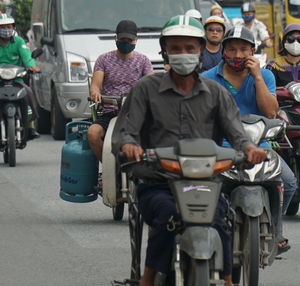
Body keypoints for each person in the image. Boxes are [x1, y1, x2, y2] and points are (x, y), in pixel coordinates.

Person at [113, 15, 267, 286]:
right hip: (157, 183)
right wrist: (129, 146)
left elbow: (236, 133)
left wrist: (250, 150)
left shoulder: (216, 93)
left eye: (189, 48)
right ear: (165, 52)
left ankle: (229, 281)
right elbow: (126, 130)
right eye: (176, 48)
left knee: (221, 219)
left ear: (200, 50)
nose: (183, 54)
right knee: (168, 215)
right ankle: (147, 280)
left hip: (204, 184)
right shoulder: (145, 89)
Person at [201, 26, 295, 253]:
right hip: (221, 147)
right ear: (223, 50)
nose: (237, 55)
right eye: (231, 49)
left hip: (259, 145)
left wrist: (257, 77)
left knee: (289, 182)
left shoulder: (265, 76)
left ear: (253, 51)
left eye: (243, 49)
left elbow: (270, 113)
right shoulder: (207, 78)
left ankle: (274, 227)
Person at [87, 20, 153, 162]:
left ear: (136, 40)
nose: (125, 43)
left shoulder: (143, 61)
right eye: (122, 40)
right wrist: (95, 92)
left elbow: (151, 85)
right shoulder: (103, 59)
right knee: (93, 134)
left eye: (129, 40)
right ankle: (109, 169)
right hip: (111, 112)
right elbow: (95, 85)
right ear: (115, 38)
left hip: (136, 113)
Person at [0, 14, 41, 143]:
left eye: (9, 26)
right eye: (2, 27)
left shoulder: (19, 42)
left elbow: (26, 56)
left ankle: (30, 126)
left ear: (13, 27)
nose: (6, 29)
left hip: (16, 81)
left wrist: (32, 66)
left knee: (29, 93)